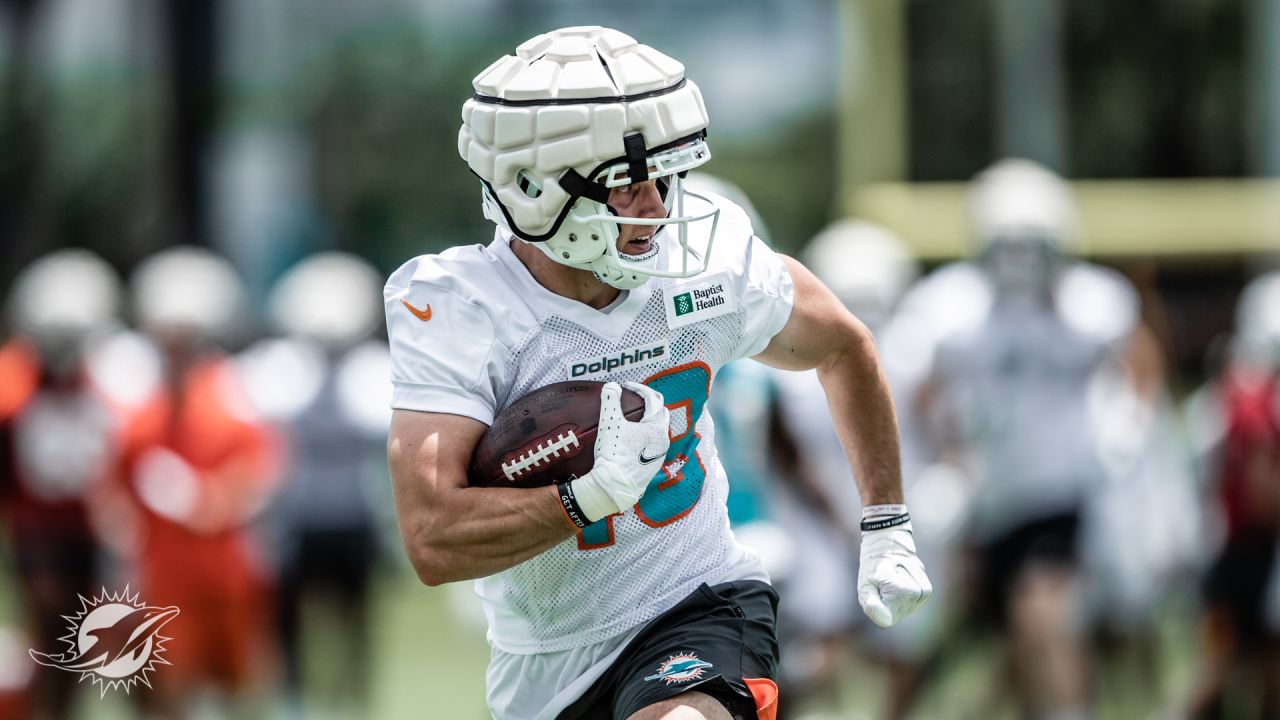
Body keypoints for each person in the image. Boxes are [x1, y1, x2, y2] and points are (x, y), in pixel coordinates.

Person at [383, 27, 930, 720]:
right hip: (543, 662)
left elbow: (844, 347)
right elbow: (432, 538)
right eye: (627, 186)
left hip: (700, 600)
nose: (660, 209)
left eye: (665, 179)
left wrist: (887, 523)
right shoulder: (463, 307)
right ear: (533, 188)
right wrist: (587, 497)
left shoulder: (706, 264)